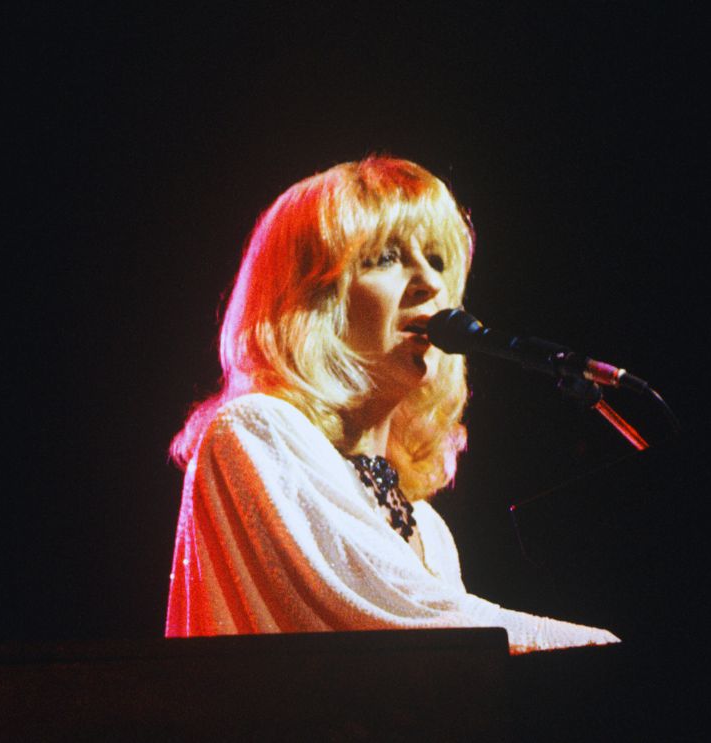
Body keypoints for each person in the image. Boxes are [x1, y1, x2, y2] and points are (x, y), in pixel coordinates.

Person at [165, 156, 619, 654]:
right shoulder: (254, 431)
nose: (430, 284)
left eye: (437, 260)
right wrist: (599, 648)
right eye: (385, 258)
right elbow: (396, 620)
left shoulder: (429, 527)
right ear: (310, 301)